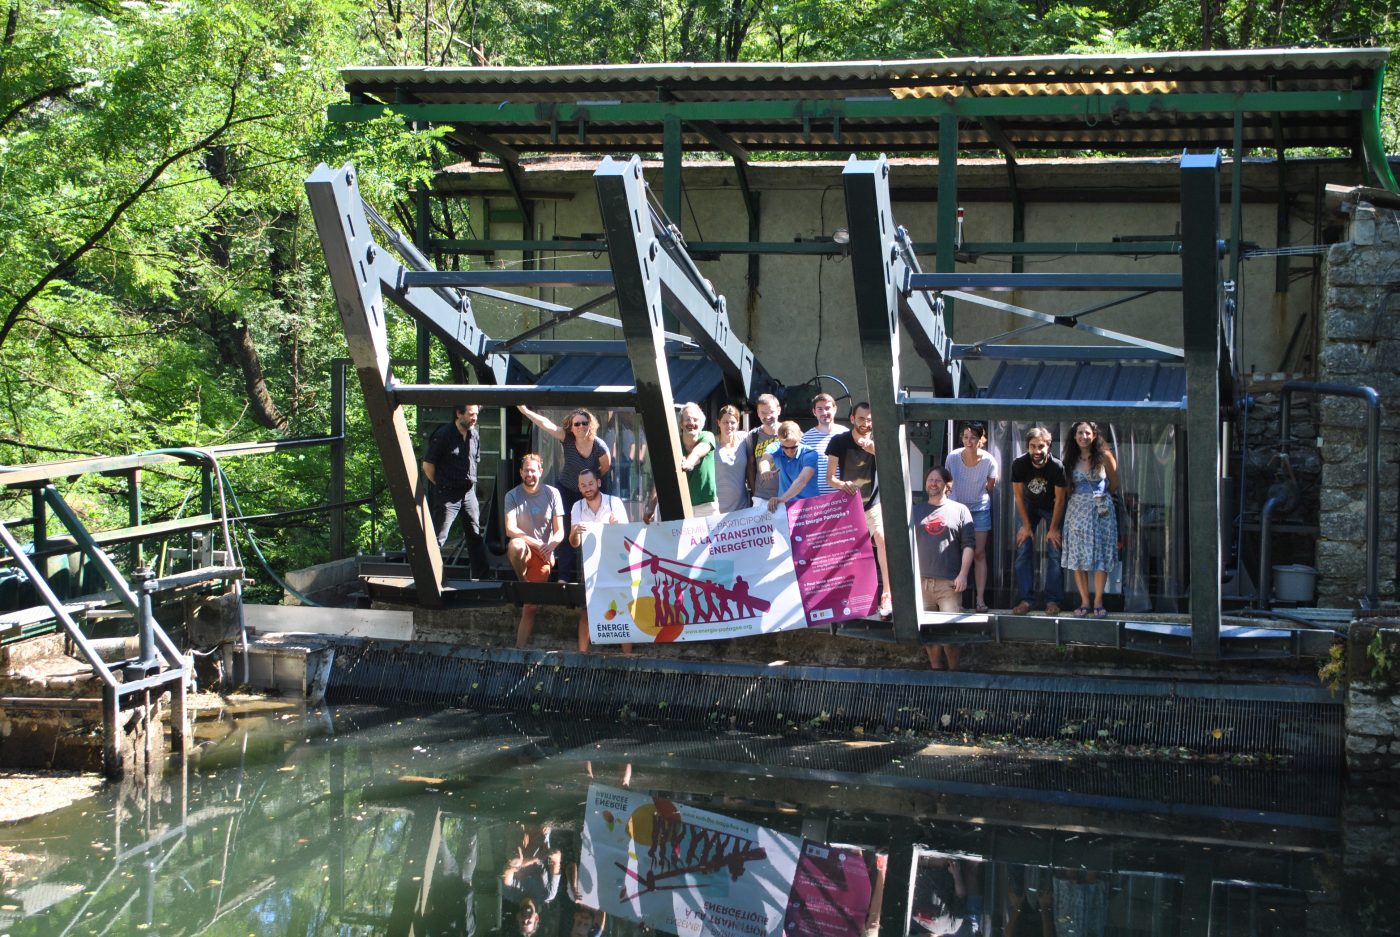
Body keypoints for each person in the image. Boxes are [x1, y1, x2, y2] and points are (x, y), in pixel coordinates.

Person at [516, 405, 611, 581]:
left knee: (592, 531)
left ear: (590, 425)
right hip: (566, 490)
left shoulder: (599, 445)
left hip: (588, 492)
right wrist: (526, 412)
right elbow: (546, 424)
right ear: (571, 427)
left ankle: (593, 577)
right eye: (577, 424)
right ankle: (564, 578)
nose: (581, 427)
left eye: (584, 423)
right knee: (566, 531)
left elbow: (604, 468)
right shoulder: (567, 438)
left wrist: (589, 485)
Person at [826, 402, 891, 617]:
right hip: (848, 503)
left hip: (873, 502)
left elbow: (895, 467)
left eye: (870, 420)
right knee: (848, 552)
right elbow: (830, 478)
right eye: (861, 419)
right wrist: (842, 484)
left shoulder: (880, 440)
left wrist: (876, 451)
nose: (866, 423)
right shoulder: (839, 441)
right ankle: (848, 597)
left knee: (882, 537)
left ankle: (887, 593)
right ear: (852, 419)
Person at [912, 466, 974, 671]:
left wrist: (963, 574)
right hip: (922, 584)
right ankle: (935, 670)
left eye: (938, 480)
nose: (933, 483)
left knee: (950, 635)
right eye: (930, 480)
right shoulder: (915, 511)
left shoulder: (960, 510)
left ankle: (954, 674)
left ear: (948, 485)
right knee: (929, 634)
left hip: (949, 584)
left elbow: (969, 545)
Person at [421, 403, 490, 578]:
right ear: (459, 413)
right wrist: (441, 484)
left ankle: (482, 578)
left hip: (468, 492)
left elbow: (474, 461)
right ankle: (427, 577)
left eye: (476, 414)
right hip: (448, 493)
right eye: (471, 414)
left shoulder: (474, 435)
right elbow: (427, 466)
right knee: (439, 536)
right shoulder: (443, 435)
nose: (475, 418)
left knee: (475, 536)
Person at [1061, 420, 1120, 618]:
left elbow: (1114, 483)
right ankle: (1085, 601)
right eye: (1079, 433)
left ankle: (1098, 601)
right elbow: (1067, 487)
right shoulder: (1069, 459)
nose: (1083, 437)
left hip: (1101, 510)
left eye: (1087, 433)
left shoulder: (1105, 456)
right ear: (1074, 436)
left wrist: (1100, 497)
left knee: (1100, 553)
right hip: (1077, 510)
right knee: (1078, 555)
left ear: (1094, 435)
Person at [505, 453, 565, 648]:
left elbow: (560, 531)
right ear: (520, 472)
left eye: (533, 470)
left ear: (540, 471)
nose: (529, 474)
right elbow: (510, 529)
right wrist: (536, 543)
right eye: (526, 471)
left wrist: (550, 546)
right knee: (515, 544)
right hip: (525, 550)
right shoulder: (512, 495)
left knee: (530, 607)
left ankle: (518, 649)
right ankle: (523, 583)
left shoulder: (552, 493)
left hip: (544, 554)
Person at [1010, 426, 1069, 616]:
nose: (1037, 451)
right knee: (1023, 548)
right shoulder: (1019, 464)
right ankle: (1026, 600)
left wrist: (1054, 529)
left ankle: (1053, 600)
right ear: (1028, 447)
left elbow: (1060, 500)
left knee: (1055, 551)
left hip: (1052, 506)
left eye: (1041, 446)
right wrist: (1027, 526)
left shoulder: (1057, 467)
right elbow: (1018, 497)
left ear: (1048, 446)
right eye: (1033, 446)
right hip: (1029, 505)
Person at [570, 467, 629, 653]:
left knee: (621, 608)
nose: (587, 488)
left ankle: (628, 657)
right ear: (579, 488)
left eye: (590, 484)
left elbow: (627, 536)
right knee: (586, 610)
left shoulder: (614, 503)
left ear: (598, 483)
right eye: (583, 485)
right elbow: (574, 543)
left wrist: (617, 526)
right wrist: (574, 532)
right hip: (589, 565)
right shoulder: (577, 507)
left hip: (614, 563)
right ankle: (581, 656)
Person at [944, 421, 999, 613]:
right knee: (953, 553)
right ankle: (952, 599)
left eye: (973, 438)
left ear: (981, 439)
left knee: (979, 553)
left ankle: (980, 599)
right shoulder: (952, 457)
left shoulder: (989, 461)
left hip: (979, 509)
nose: (969, 441)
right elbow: (948, 482)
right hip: (956, 509)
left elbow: (990, 485)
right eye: (965, 437)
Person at [762, 420, 820, 512]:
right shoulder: (775, 447)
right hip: (786, 506)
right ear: (779, 440)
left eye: (794, 447)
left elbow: (801, 481)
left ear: (800, 439)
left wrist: (782, 498)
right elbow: (765, 459)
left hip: (809, 507)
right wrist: (765, 470)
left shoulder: (810, 453)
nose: (789, 451)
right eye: (785, 447)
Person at [800, 392, 848, 497]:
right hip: (816, 498)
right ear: (814, 412)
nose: (824, 412)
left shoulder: (846, 434)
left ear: (835, 409)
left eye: (827, 408)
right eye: (820, 409)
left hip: (843, 496)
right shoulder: (805, 439)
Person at [745, 393, 784, 504]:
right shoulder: (753, 435)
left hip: (786, 495)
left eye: (771, 412)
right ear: (758, 413)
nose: (767, 416)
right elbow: (750, 465)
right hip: (761, 497)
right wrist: (754, 491)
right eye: (763, 413)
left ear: (779, 410)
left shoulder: (789, 431)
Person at [713, 404, 751, 513]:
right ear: (718, 423)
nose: (729, 425)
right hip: (717, 509)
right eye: (725, 422)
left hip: (741, 507)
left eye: (733, 422)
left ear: (738, 423)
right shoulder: (712, 443)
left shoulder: (744, 439)